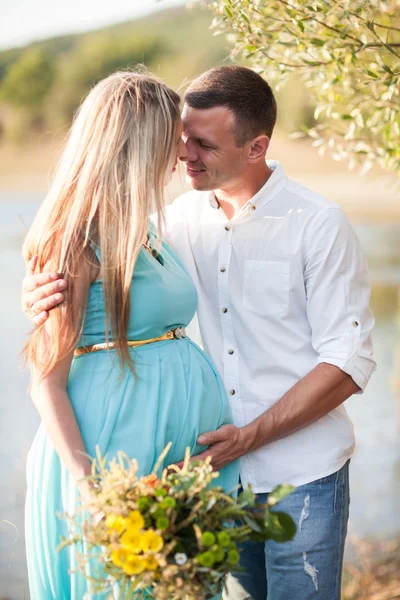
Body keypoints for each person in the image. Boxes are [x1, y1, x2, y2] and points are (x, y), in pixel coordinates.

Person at [22, 66, 376, 600]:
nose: (183, 156)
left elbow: (350, 361)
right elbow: (82, 284)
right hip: (192, 469)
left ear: (255, 147)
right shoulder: (172, 219)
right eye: (179, 140)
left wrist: (250, 436)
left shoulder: (317, 224)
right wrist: (38, 294)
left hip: (299, 469)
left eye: (202, 145)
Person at [21, 71, 239, 600]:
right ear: (138, 144)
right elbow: (45, 381)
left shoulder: (144, 224)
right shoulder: (76, 240)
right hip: (111, 451)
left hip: (170, 452)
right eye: (174, 137)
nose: (183, 151)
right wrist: (90, 487)